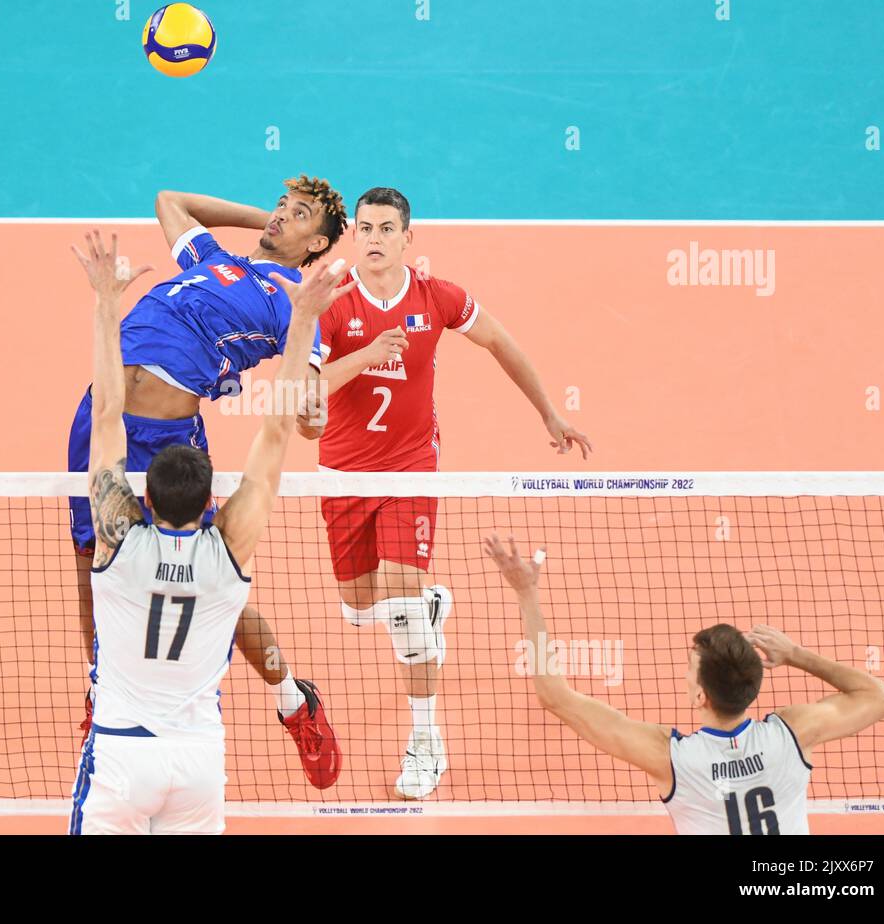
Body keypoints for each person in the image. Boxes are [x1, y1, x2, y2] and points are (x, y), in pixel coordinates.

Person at [67, 178, 348, 788]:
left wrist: (311, 412)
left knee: (214, 579)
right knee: (94, 560)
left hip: (169, 441)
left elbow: (302, 412)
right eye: (281, 206)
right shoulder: (213, 259)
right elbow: (170, 200)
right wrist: (265, 223)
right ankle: (101, 682)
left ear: (317, 244)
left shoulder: (294, 298)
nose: (279, 217)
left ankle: (293, 700)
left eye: (298, 216)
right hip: (102, 413)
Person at [316, 186, 593, 798]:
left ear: (408, 239)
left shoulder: (435, 297)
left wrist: (549, 412)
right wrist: (366, 354)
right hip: (342, 475)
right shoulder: (332, 304)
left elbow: (499, 341)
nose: (376, 239)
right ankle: (427, 604)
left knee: (404, 610)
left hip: (412, 470)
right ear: (354, 236)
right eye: (366, 228)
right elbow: (310, 389)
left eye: (388, 228)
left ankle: (425, 745)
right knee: (361, 611)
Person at [485, 533, 884, 834]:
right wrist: (795, 655)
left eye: (688, 668)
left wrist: (527, 594)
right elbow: (881, 695)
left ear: (700, 694)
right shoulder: (792, 734)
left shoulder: (674, 759)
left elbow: (554, 696)